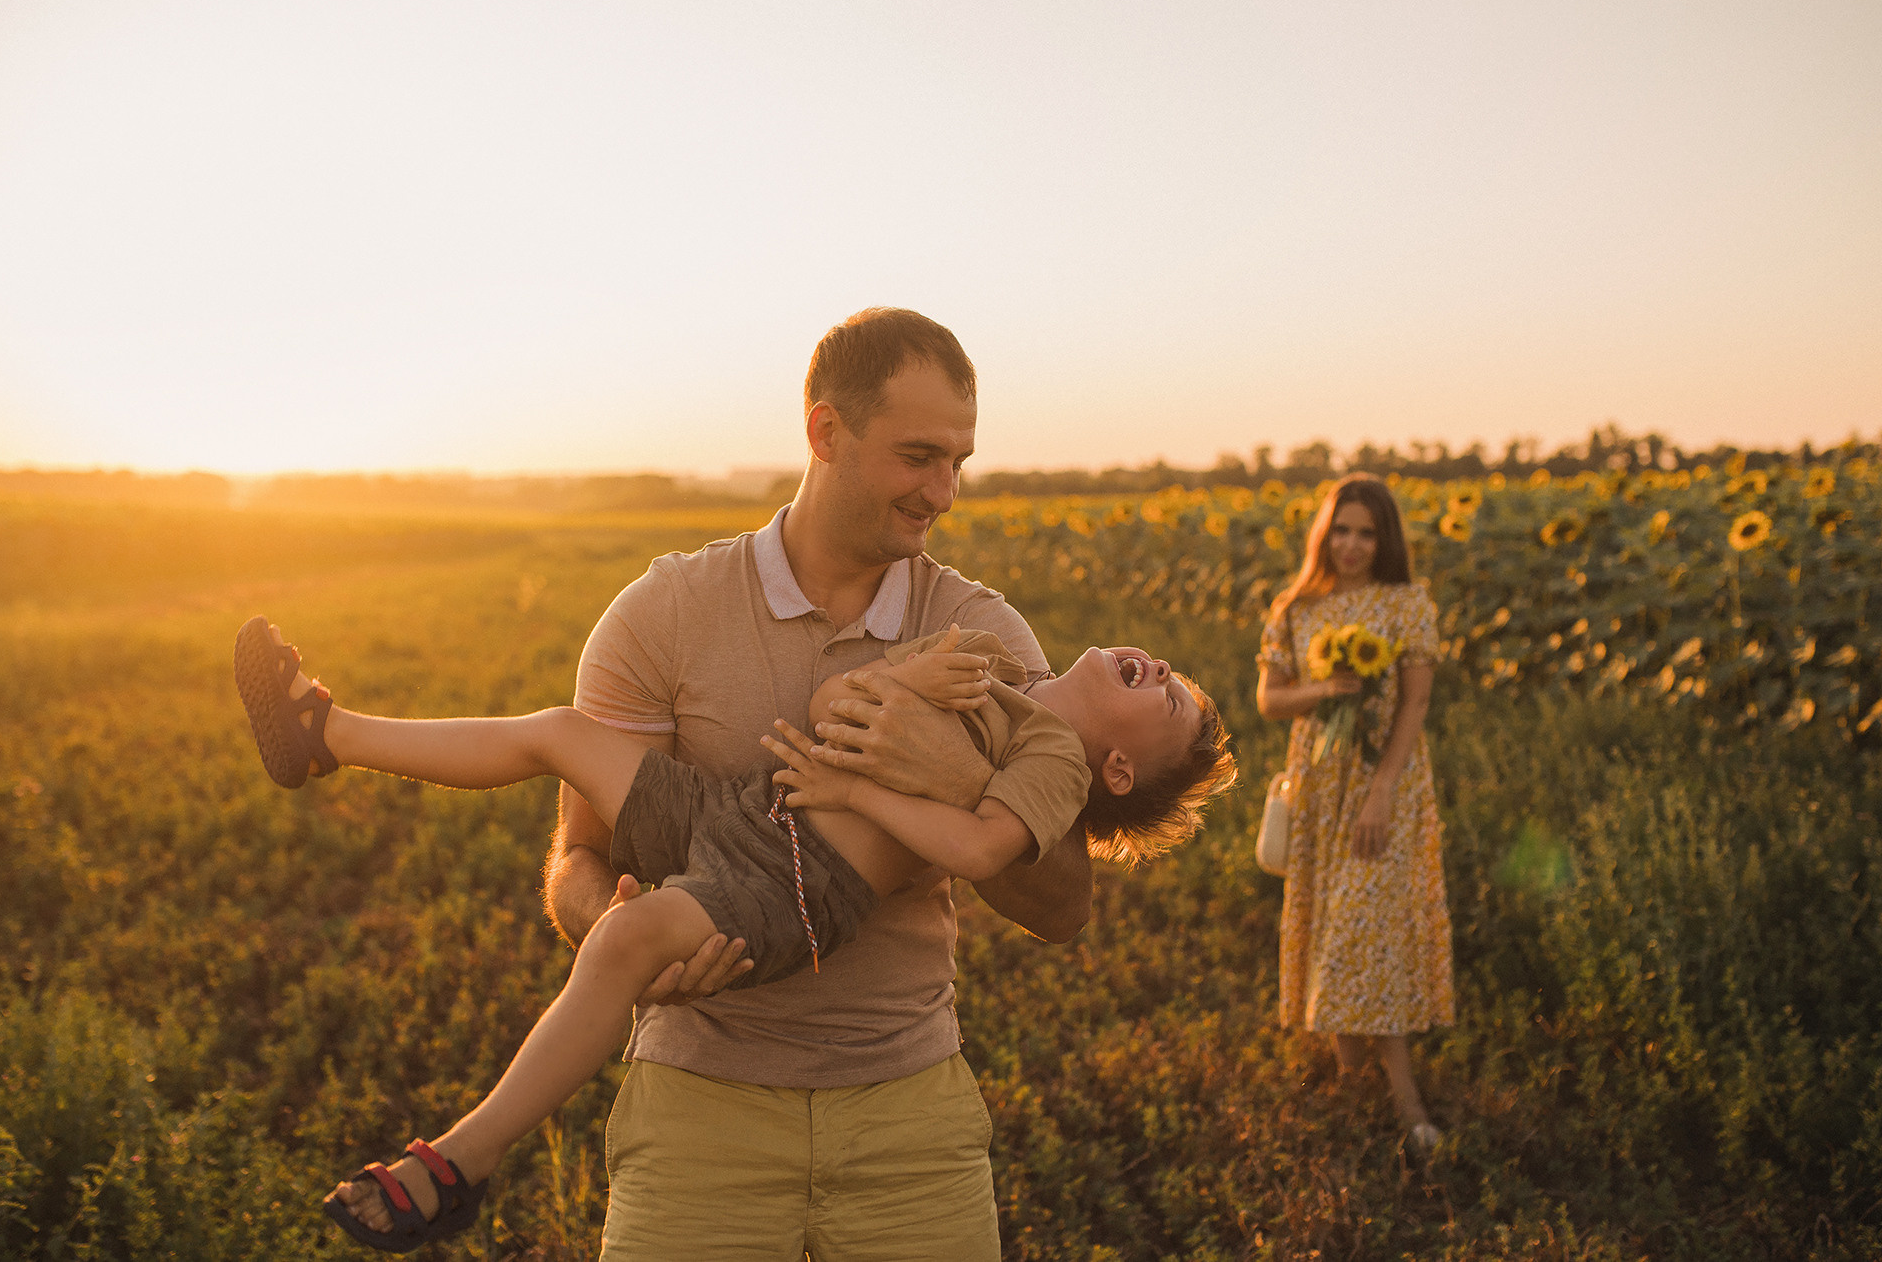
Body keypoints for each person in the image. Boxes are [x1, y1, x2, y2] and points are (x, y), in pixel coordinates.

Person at [233, 619, 1232, 1249]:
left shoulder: (1050, 753)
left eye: (1169, 700)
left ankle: (460, 1161)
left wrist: (852, 784)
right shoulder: (980, 655)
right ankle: (325, 735)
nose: (1162, 670)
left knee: (623, 943)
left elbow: (978, 850)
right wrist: (899, 693)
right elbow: (840, 700)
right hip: (742, 808)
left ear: (1115, 772)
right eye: (1171, 674)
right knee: (558, 733)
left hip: (800, 884)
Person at [547, 308, 1096, 1258]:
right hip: (696, 1108)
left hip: (910, 1112)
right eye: (919, 456)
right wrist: (617, 929)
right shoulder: (661, 613)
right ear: (825, 431)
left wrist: (960, 779)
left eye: (959, 461)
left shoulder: (984, 636)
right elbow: (578, 856)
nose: (944, 493)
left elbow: (1063, 906)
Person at [1253, 473, 1454, 1154]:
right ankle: (1349, 1084)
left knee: (1366, 932)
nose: (1352, 544)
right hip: (1316, 783)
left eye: (1367, 532)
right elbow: (1269, 700)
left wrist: (1381, 791)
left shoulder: (1406, 605)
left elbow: (1415, 706)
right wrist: (1323, 689)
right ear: (1324, 533)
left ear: (1385, 539)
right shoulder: (1295, 607)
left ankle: (1406, 1101)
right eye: (1341, 529)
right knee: (1328, 929)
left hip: (1383, 787)